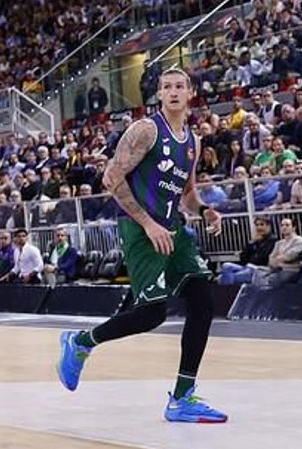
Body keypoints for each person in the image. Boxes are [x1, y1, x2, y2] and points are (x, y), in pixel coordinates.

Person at [57, 67, 227, 423]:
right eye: (167, 86)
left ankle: (182, 397)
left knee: (202, 302)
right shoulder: (146, 130)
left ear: (191, 92)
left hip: (173, 229)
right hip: (140, 229)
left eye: (180, 86)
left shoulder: (193, 142)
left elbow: (188, 193)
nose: (174, 91)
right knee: (152, 313)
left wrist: (206, 210)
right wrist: (148, 224)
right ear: (160, 95)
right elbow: (111, 178)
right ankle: (82, 342)